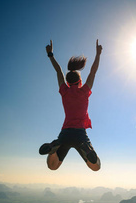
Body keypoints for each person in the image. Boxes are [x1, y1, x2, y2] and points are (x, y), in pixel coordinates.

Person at [39, 39, 102, 172]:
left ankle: (53, 149)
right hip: (80, 135)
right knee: (96, 167)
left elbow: (58, 71)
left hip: (65, 134)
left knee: (52, 166)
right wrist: (98, 54)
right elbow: (93, 71)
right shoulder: (84, 91)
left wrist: (50, 54)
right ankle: (87, 149)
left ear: (67, 82)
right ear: (80, 81)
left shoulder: (64, 91)